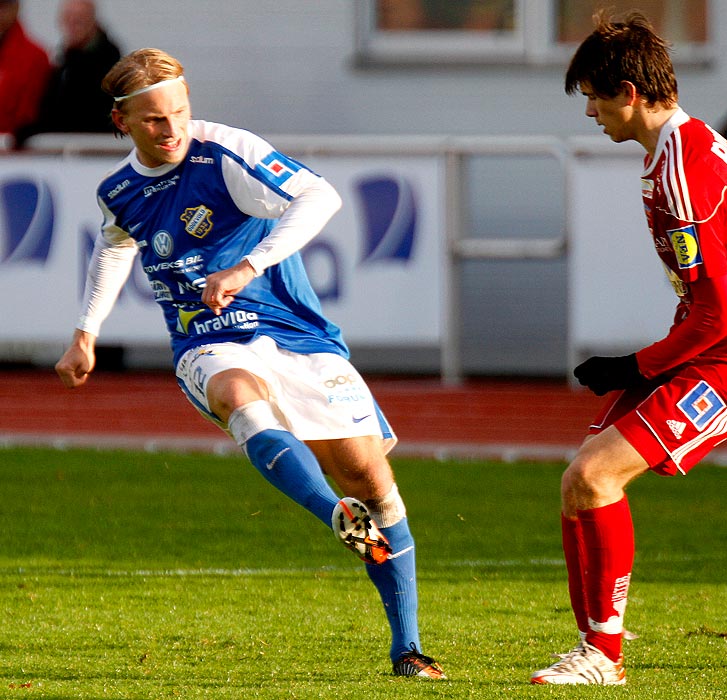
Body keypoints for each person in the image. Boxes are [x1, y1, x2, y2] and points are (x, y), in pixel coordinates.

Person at [54, 48, 445, 680]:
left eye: (180, 110)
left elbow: (320, 198)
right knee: (239, 395)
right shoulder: (119, 191)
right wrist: (85, 331)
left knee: (370, 479)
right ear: (122, 122)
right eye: (154, 119)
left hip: (300, 336)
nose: (172, 127)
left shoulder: (224, 152)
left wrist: (246, 266)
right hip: (206, 339)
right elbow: (114, 248)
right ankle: (335, 518)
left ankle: (408, 649)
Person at [529, 12, 727, 686]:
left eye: (593, 95)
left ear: (627, 91)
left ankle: (603, 657)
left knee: (594, 477)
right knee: (581, 483)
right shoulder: (691, 146)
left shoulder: (680, 172)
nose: (589, 110)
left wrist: (632, 366)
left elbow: (718, 312)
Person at [16, 0, 121, 145]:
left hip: (91, 150)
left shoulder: (107, 65)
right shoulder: (66, 62)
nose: (72, 26)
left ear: (92, 21)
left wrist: (35, 130)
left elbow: (81, 114)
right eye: (67, 19)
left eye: (78, 20)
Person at [0, 0, 51, 140]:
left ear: (16, 8)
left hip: (14, 153)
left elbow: (28, 114)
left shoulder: (35, 57)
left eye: (3, 6)